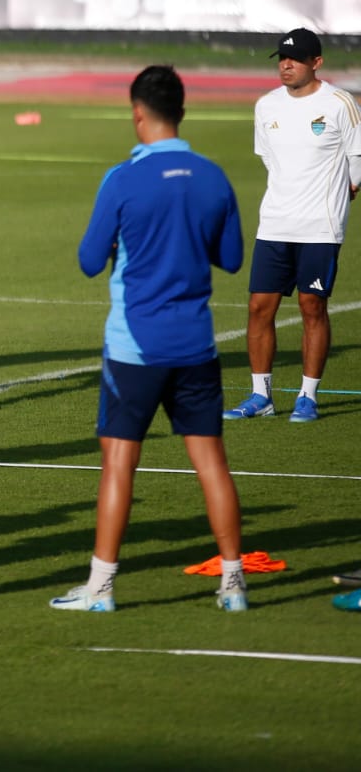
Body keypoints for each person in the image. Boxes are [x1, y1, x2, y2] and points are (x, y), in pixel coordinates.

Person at [53, 65, 247, 613]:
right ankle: (233, 583)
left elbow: (89, 260)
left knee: (119, 464)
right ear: (181, 111)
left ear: (138, 113)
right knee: (212, 462)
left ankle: (101, 588)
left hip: (134, 347)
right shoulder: (213, 176)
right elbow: (232, 258)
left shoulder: (122, 178)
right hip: (196, 343)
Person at [226, 28, 361, 424]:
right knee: (259, 307)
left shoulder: (340, 103)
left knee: (311, 306)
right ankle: (260, 395)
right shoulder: (266, 106)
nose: (286, 65)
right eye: (282, 58)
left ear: (316, 63)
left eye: (296, 59)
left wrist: (349, 186)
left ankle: (307, 396)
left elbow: (357, 157)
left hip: (320, 225)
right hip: (274, 223)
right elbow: (269, 158)